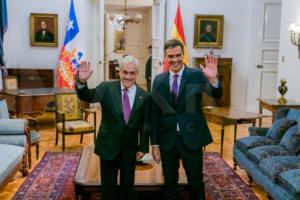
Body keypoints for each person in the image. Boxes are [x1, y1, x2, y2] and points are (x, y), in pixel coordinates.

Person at [151, 39, 222, 200]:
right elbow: (154, 115)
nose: (175, 59)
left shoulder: (196, 75)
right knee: (169, 185)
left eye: (178, 55)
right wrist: (154, 144)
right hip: (168, 140)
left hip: (192, 138)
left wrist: (213, 80)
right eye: (171, 56)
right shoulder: (159, 80)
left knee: (196, 184)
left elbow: (216, 95)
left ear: (183, 55)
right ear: (165, 57)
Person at [76, 55, 150, 200]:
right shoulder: (106, 88)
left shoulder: (144, 96)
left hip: (129, 149)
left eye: (132, 73)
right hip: (108, 147)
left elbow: (145, 125)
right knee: (108, 189)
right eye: (125, 72)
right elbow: (87, 96)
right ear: (119, 72)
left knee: (127, 189)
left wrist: (142, 147)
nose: (128, 77)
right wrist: (82, 81)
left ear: (137, 74)